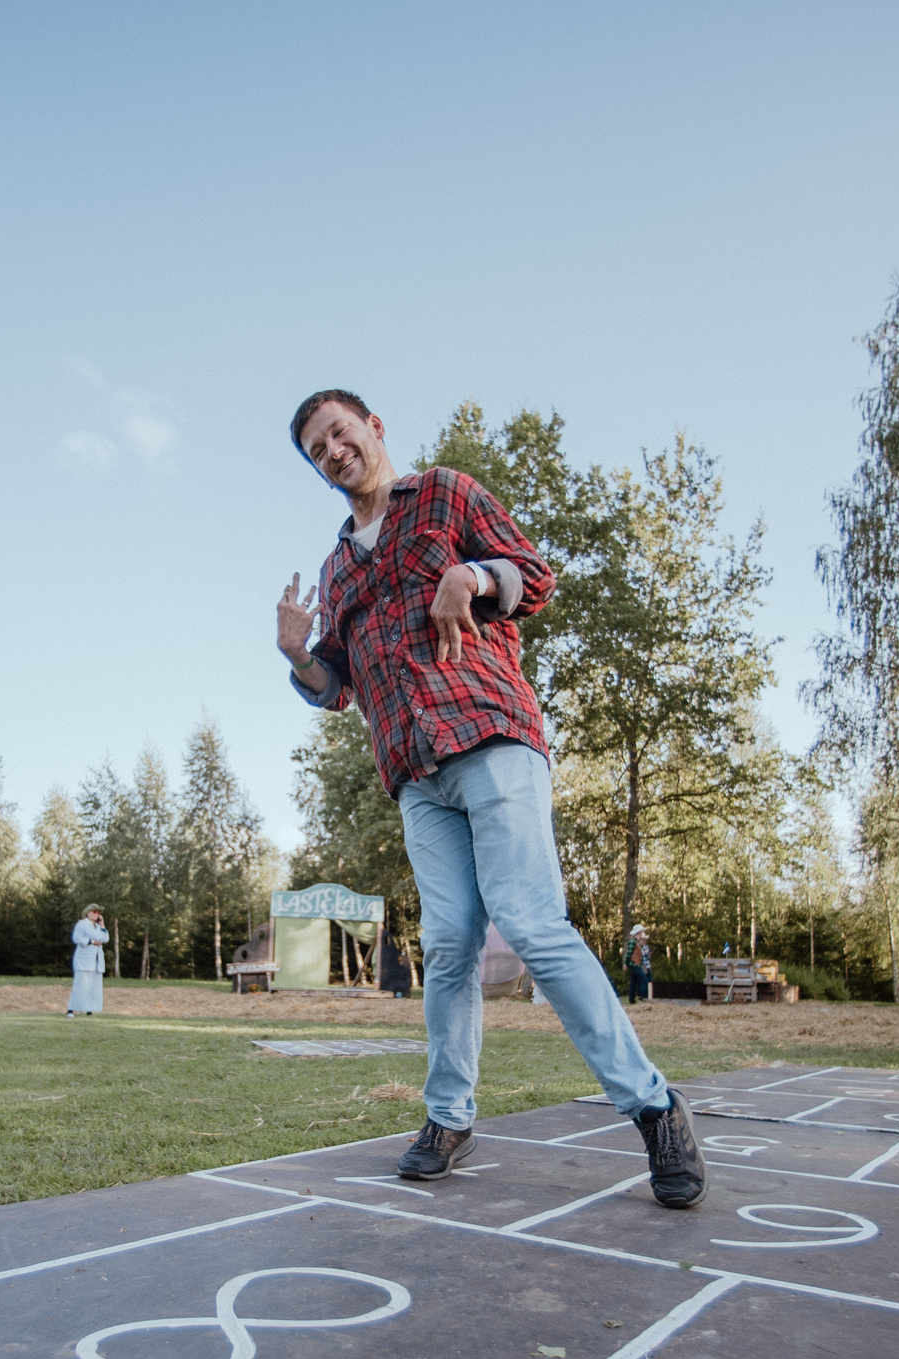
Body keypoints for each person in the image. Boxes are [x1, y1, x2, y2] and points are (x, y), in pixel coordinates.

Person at [274, 389, 704, 1206]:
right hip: (413, 772)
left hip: (490, 734)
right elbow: (337, 686)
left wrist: (467, 576)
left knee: (534, 924)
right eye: (316, 450)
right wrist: (299, 656)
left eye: (340, 432)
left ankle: (655, 1108)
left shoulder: (445, 493)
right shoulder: (336, 569)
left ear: (374, 428)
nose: (333, 451)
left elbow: (534, 575)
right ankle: (448, 1117)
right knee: (449, 946)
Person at [68, 906, 108, 1016]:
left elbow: (105, 938)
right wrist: (92, 941)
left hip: (96, 960)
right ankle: (71, 1009)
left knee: (93, 986)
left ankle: (89, 1009)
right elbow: (76, 938)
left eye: (98, 913)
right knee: (80, 985)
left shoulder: (98, 927)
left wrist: (102, 925)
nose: (97, 914)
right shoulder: (82, 924)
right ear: (88, 913)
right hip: (84, 959)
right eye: (94, 912)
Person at [625, 926, 653, 1004]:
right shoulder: (632, 942)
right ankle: (644, 999)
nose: (642, 933)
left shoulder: (636, 941)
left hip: (636, 965)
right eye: (641, 932)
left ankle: (632, 1000)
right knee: (645, 980)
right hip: (634, 965)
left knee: (633, 982)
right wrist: (626, 964)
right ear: (639, 932)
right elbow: (628, 954)